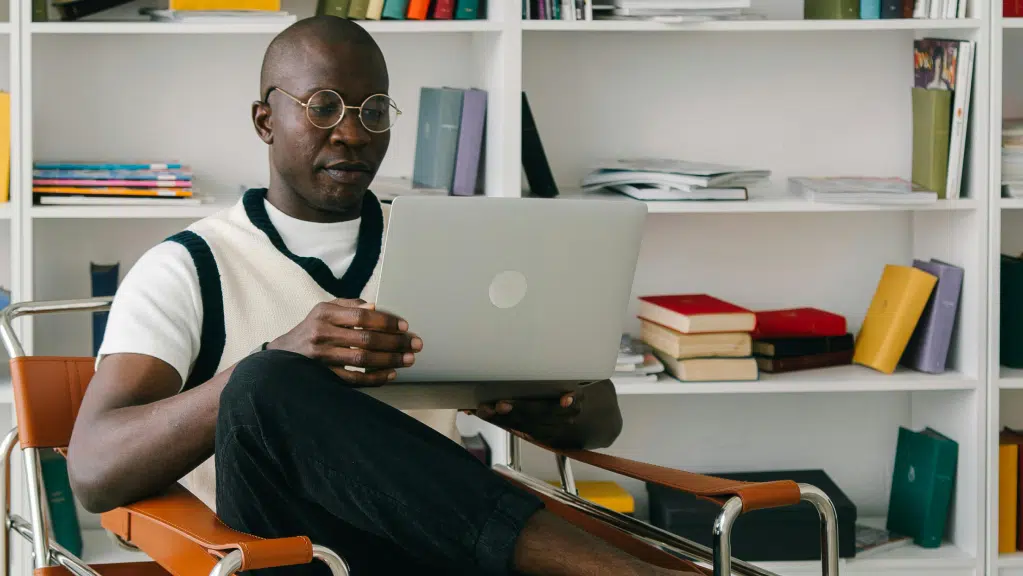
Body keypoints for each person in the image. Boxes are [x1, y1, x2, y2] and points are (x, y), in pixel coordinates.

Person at [65, 15, 698, 576]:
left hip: (441, 549)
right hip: (286, 557)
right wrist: (279, 356)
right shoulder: (187, 267)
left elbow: (602, 421)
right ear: (265, 121)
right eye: (322, 107)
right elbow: (94, 472)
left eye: (372, 112)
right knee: (265, 382)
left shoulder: (450, 244)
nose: (352, 133)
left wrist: (554, 407)